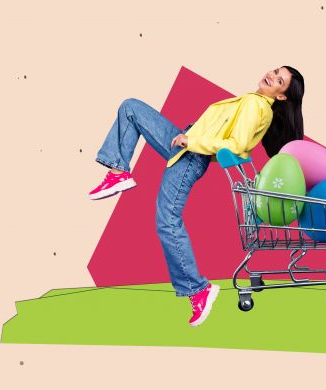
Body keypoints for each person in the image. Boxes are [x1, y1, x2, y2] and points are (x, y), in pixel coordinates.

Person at [88, 66, 305, 326]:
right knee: (131, 108)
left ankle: (197, 289)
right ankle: (118, 172)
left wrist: (190, 143)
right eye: (275, 70)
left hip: (192, 152)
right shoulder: (255, 101)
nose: (271, 75)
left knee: (167, 220)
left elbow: (237, 145)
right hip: (187, 140)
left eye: (279, 80)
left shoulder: (256, 106)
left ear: (281, 96)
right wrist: (188, 139)